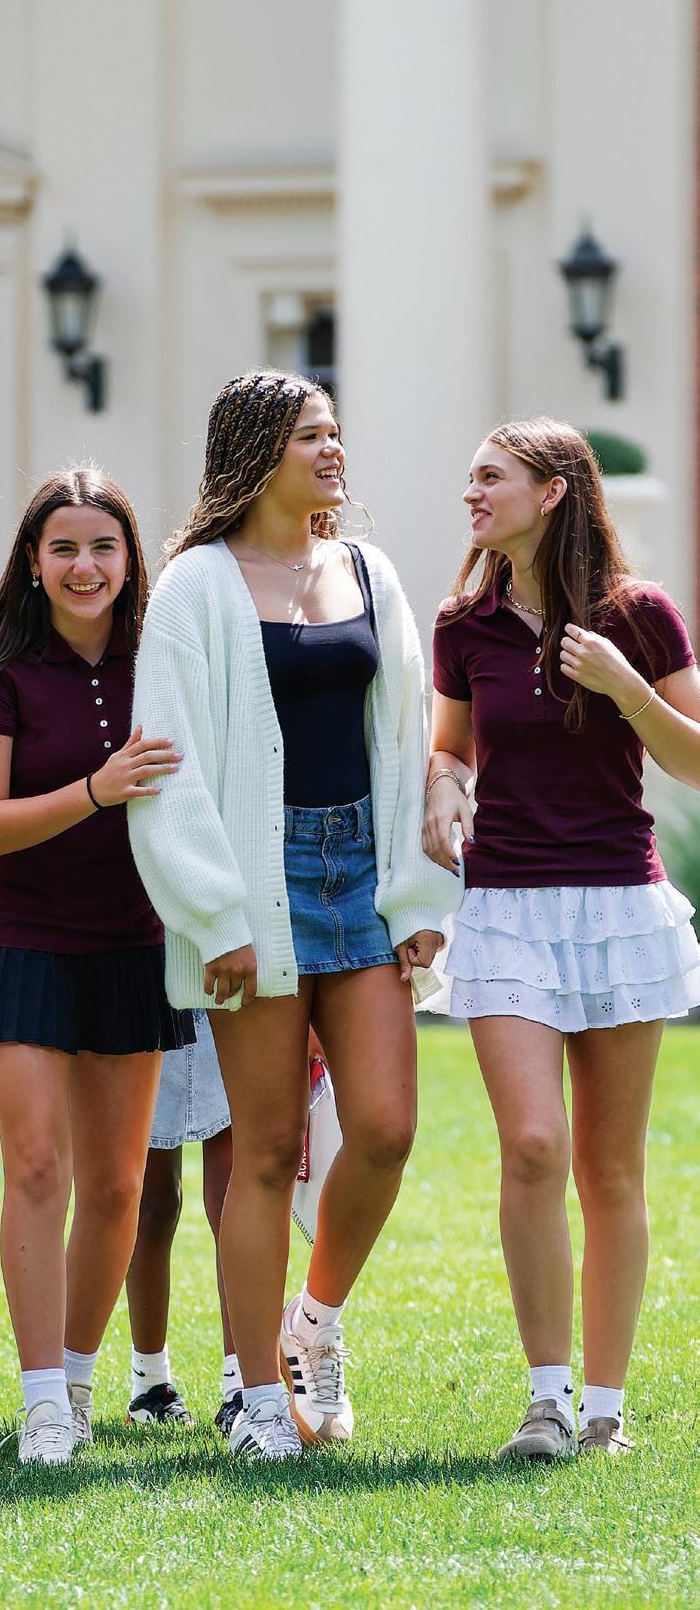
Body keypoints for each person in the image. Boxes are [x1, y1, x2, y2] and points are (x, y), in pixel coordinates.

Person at [130, 371, 459, 1462]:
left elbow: (405, 736)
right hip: (253, 885)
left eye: (334, 433)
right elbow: (167, 764)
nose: (332, 451)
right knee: (264, 1150)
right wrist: (212, 913)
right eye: (310, 435)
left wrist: (417, 895)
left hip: (360, 878)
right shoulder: (193, 587)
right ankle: (262, 1406)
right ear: (256, 450)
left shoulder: (368, 572)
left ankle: (310, 1323)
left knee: (384, 1127)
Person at [425, 418, 700, 1460]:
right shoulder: (463, 625)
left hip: (619, 907)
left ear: (550, 493)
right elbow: (450, 748)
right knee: (533, 1144)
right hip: (506, 907)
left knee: (610, 1170)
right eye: (470, 476)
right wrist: (441, 789)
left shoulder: (640, 616)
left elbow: (694, 760)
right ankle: (545, 1401)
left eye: (488, 477)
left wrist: (626, 689)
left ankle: (604, 1413)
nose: (471, 493)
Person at [0, 467, 193, 1466]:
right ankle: (41, 1398)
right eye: (63, 548)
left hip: (134, 937)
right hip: (18, 936)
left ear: (130, 558)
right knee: (38, 1165)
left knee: (120, 1187)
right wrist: (96, 788)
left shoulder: (165, 654)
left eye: (102, 547)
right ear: (32, 560)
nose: (83, 566)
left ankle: (81, 1384)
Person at [123, 1017, 240, 1432]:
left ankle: (243, 1384)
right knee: (153, 1201)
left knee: (233, 1199)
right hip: (153, 992)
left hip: (231, 998)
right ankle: (150, 1382)